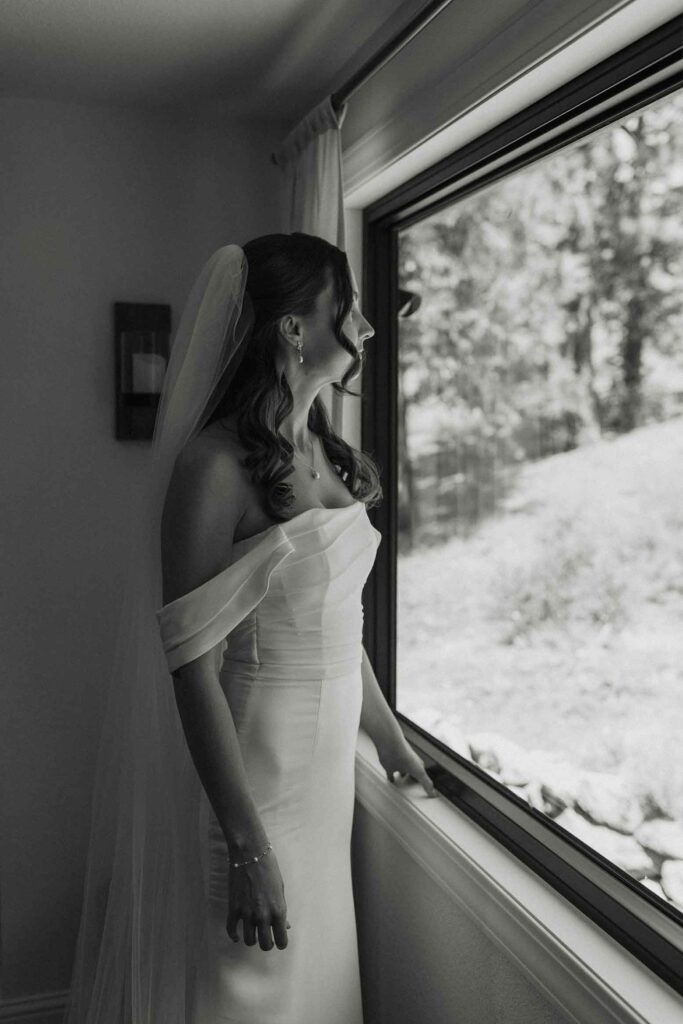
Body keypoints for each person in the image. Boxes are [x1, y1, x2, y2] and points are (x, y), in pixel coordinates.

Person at [65, 233, 435, 1024]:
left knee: (315, 984)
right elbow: (190, 663)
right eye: (351, 309)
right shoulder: (212, 467)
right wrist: (247, 847)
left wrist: (391, 739)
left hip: (326, 783)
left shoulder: (327, 451)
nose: (366, 328)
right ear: (294, 328)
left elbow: (338, 632)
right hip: (256, 784)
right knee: (249, 993)